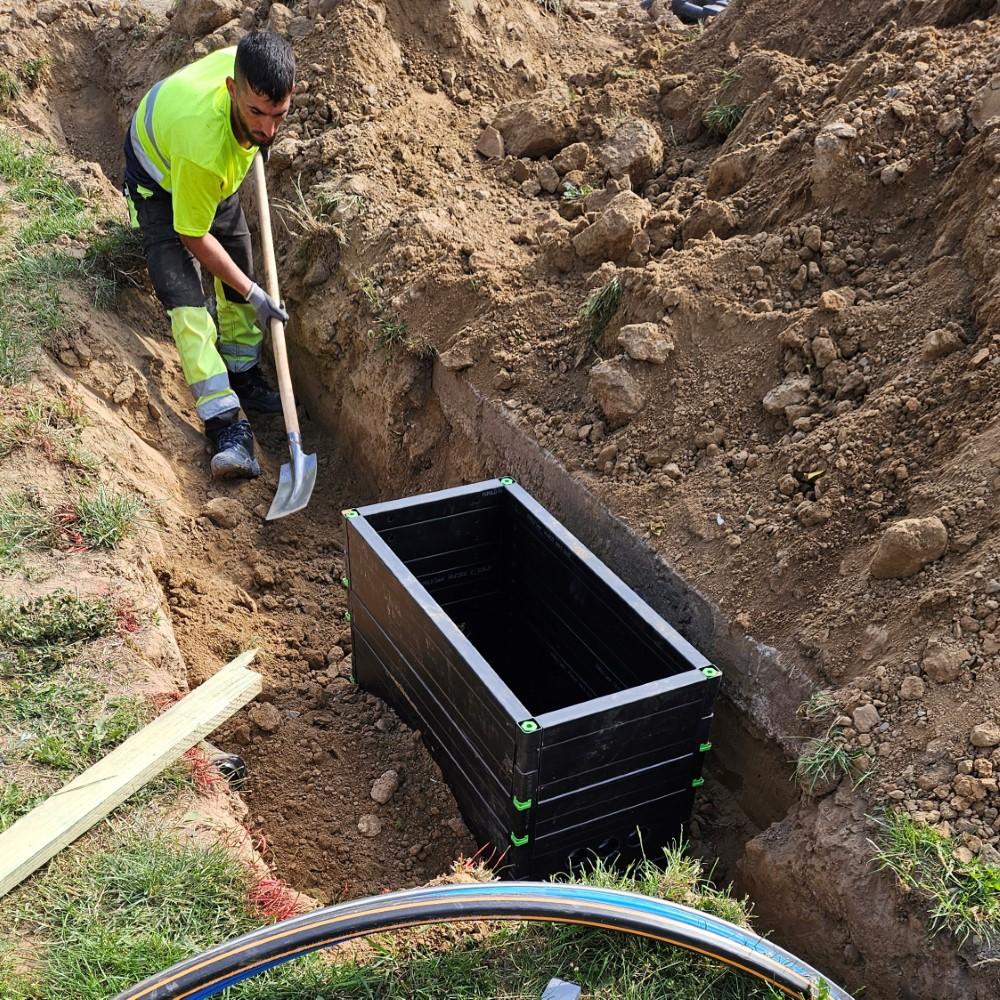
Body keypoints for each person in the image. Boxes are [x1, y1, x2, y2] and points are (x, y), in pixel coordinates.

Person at [123, 31, 295, 479]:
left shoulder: (252, 71)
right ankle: (226, 426)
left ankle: (243, 370)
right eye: (257, 114)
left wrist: (245, 281)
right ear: (231, 89)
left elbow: (256, 129)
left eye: (279, 114)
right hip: (158, 179)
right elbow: (193, 238)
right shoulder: (204, 151)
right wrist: (253, 292)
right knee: (186, 299)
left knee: (238, 253)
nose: (268, 129)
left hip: (205, 162)